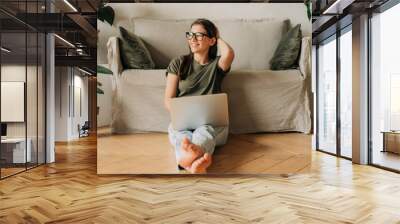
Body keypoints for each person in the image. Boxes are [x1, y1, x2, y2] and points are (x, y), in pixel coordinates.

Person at [164, 18, 235, 174]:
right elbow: (168, 100)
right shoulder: (178, 62)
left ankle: (186, 162)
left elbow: (229, 53)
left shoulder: (217, 65)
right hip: (183, 123)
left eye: (199, 35)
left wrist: (217, 35)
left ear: (211, 41)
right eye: (190, 34)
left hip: (210, 124)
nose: (193, 39)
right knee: (183, 138)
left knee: (205, 132)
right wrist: (180, 116)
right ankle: (195, 165)